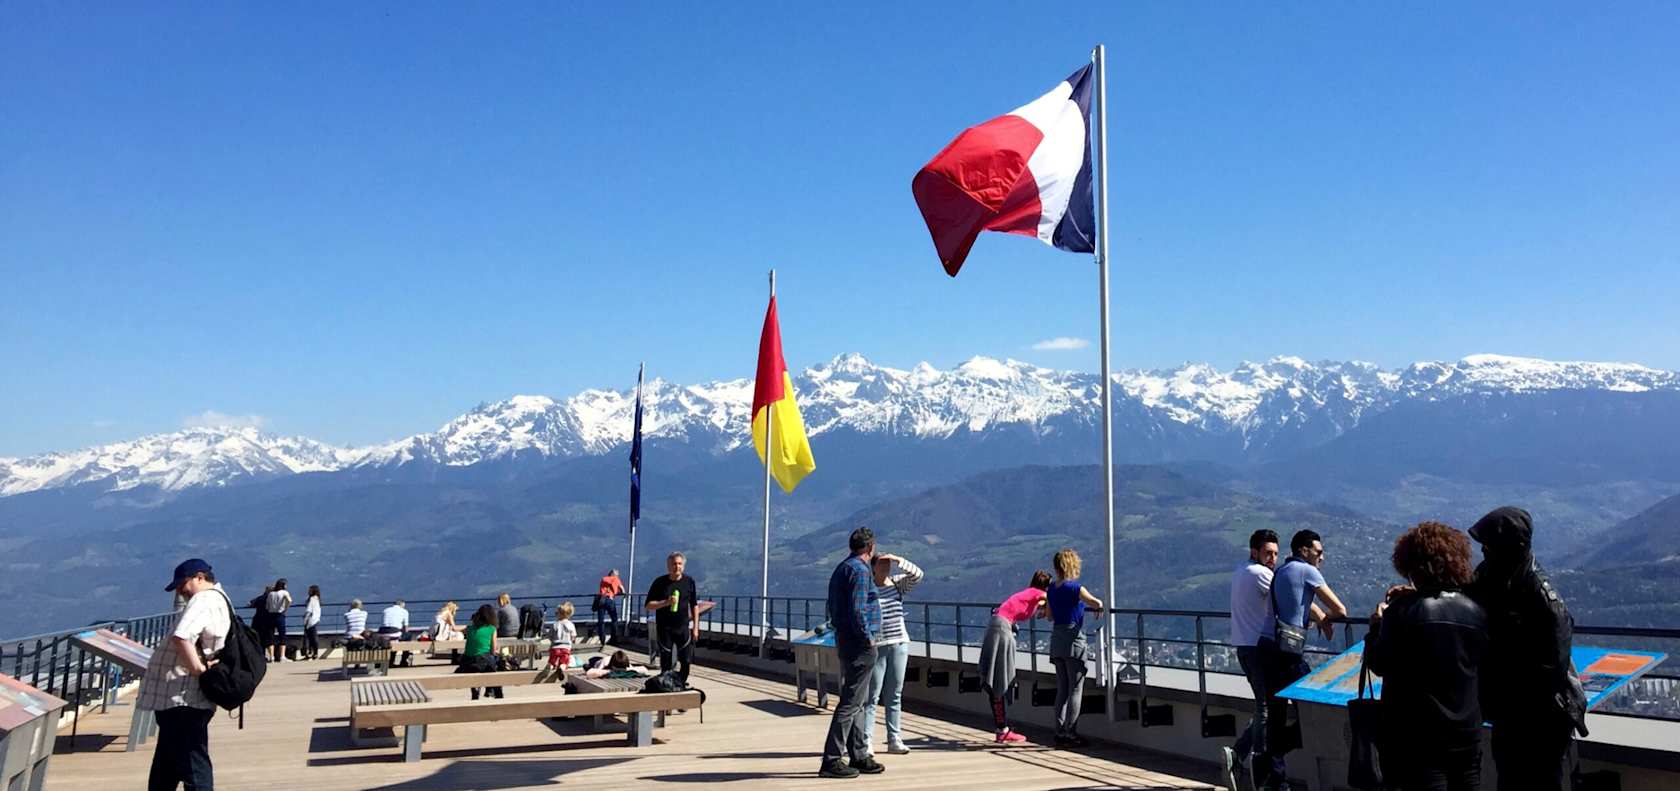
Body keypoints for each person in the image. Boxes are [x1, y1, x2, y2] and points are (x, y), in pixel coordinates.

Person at [1467, 506, 1584, 791]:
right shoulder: (1493, 578)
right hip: (1510, 714)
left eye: (1489, 546)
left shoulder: (1541, 596)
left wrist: (1513, 694)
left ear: (1507, 547)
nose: (1483, 552)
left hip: (1540, 718)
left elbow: (1553, 665)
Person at [1366, 521, 1490, 791]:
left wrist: (1376, 626)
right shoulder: (1477, 611)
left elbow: (1379, 663)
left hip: (1419, 738)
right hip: (1467, 734)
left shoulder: (1402, 613)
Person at [1258, 530, 1348, 791]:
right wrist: (1327, 618)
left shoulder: (1282, 571)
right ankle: (1267, 759)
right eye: (1318, 552)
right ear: (1304, 550)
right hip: (1288, 653)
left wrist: (1318, 616)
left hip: (1267, 646)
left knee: (1276, 715)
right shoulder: (1308, 571)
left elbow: (1297, 602)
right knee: (1312, 710)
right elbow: (1341, 610)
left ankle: (1276, 778)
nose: (1322, 557)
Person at [138, 558, 231, 791]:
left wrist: (198, 671)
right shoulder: (220, 599)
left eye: (183, 584)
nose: (180, 591)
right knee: (167, 765)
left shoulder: (204, 600)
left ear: (200, 577)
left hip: (184, 697)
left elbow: (181, 637)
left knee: (193, 764)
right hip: (180, 699)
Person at [819, 527, 885, 779]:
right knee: (850, 702)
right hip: (860, 644)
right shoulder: (859, 570)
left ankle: (858, 754)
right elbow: (858, 610)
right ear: (870, 548)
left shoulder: (843, 567)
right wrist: (868, 637)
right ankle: (832, 759)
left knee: (857, 700)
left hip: (846, 640)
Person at [1221, 529, 1281, 791]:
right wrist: (1324, 617)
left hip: (1244, 646)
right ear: (1254, 551)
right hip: (1258, 648)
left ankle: (1237, 755)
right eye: (1268, 553)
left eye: (1276, 554)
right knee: (1266, 707)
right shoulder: (1261, 574)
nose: (1273, 559)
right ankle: (1259, 767)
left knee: (1263, 706)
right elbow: (1287, 597)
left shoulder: (1240, 570)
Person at [978, 570, 1051, 745]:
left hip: (996, 625)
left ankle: (1001, 727)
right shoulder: (1040, 594)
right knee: (1000, 679)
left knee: (995, 678)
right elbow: (1049, 603)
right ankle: (1002, 730)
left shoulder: (1027, 593)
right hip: (1003, 629)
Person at [863, 549, 923, 756]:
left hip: (899, 643)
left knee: (895, 693)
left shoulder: (897, 584)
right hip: (877, 645)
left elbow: (918, 575)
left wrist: (899, 559)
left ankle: (894, 738)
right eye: (882, 564)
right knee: (873, 695)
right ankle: (866, 741)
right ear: (873, 567)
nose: (886, 568)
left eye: (888, 564)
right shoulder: (868, 588)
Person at [1047, 549, 1104, 748]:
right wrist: (1099, 606)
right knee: (1075, 689)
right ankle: (1071, 732)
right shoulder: (1075, 588)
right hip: (1074, 640)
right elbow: (1094, 602)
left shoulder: (1051, 589)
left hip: (1057, 639)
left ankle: (1059, 730)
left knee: (1062, 687)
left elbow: (1050, 616)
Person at [645, 552, 699, 684]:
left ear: (683, 566)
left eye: (680, 564)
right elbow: (648, 605)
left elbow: (694, 605)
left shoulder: (689, 581)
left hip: (683, 627)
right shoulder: (660, 582)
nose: (677, 566)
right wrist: (666, 603)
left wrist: (696, 627)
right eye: (674, 564)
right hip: (665, 628)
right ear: (668, 566)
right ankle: (667, 685)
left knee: (686, 660)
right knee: (666, 661)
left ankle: (680, 682)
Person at [455, 604, 504, 700]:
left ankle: (476, 690)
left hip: (467, 662)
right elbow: (493, 650)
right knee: (495, 663)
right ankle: (495, 691)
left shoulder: (470, 628)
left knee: (479, 664)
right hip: (484, 661)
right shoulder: (492, 629)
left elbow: (457, 629)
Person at [262, 579, 292, 663]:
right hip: (280, 615)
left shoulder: (271, 594)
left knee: (270, 636)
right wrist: (285, 608)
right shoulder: (284, 593)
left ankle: (271, 657)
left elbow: (267, 606)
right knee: (282, 635)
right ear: (283, 585)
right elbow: (289, 600)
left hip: (270, 616)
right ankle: (282, 656)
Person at [595, 568, 625, 645]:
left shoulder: (604, 579)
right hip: (610, 600)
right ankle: (613, 640)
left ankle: (602, 640)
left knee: (601, 621)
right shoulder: (616, 580)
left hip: (601, 600)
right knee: (614, 620)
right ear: (615, 574)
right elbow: (622, 589)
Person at [547, 601, 577, 670]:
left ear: (559, 614)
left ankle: (551, 666)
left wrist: (553, 641)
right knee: (564, 661)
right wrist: (571, 641)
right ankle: (562, 667)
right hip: (566, 648)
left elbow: (550, 636)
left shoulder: (555, 624)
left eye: (557, 612)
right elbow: (573, 636)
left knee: (552, 660)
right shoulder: (571, 624)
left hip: (555, 647)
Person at [380, 599, 411, 666]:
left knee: (393, 640)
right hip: (394, 633)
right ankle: (404, 661)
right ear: (402, 604)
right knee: (408, 636)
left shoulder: (385, 610)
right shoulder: (404, 611)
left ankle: (391, 661)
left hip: (382, 633)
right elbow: (406, 628)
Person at [301, 585, 323, 660]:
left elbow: (309, 610)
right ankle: (314, 653)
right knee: (313, 637)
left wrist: (305, 618)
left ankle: (311, 653)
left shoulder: (312, 599)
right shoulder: (318, 599)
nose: (308, 591)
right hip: (316, 620)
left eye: (309, 590)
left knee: (310, 638)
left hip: (310, 621)